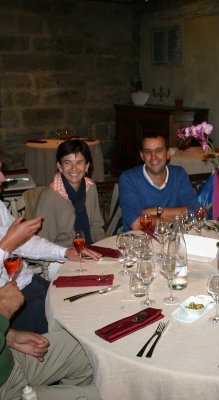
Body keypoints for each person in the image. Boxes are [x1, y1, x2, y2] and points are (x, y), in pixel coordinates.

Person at [0, 161, 101, 334]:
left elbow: (26, 243)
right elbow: (11, 243)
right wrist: (7, 245)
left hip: (29, 281)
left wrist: (65, 252)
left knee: (87, 303)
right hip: (8, 302)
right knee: (77, 328)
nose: (3, 177)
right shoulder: (50, 195)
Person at [0, 282, 101, 400]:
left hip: (10, 360)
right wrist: (3, 312)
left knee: (86, 347)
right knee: (111, 394)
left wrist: (9, 337)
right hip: (5, 391)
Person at [119, 131, 199, 231]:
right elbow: (136, 223)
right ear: (142, 156)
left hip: (174, 238)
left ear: (168, 154)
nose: (153, 157)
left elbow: (193, 211)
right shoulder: (129, 178)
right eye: (148, 151)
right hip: (139, 239)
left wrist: (153, 211)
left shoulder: (179, 174)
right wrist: (175, 219)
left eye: (159, 150)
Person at [34, 139, 105, 249]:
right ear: (59, 166)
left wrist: (104, 247)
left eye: (79, 162)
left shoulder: (90, 187)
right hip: (59, 255)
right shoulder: (49, 196)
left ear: (87, 166)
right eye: (67, 163)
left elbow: (96, 226)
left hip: (89, 249)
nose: (74, 169)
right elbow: (41, 243)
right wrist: (67, 254)